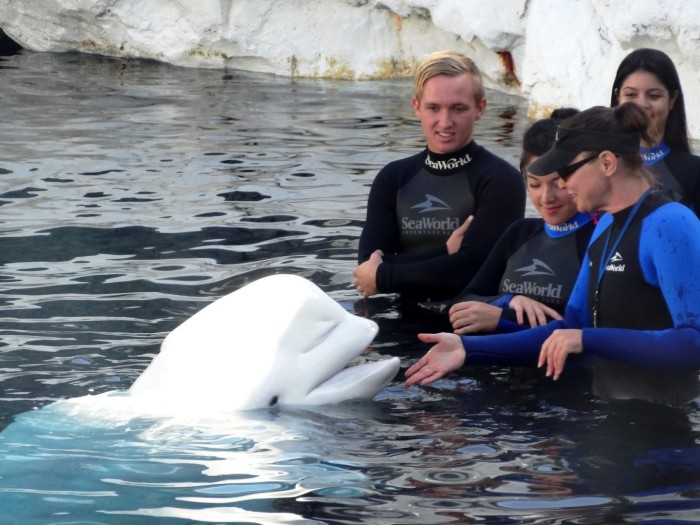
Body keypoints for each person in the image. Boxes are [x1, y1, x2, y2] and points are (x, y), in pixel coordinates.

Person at [404, 103, 700, 406]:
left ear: (607, 163)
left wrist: (587, 339)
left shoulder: (670, 223)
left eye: (567, 172)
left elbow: (693, 343)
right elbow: (570, 326)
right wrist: (466, 348)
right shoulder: (608, 225)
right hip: (608, 420)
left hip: (666, 433)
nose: (564, 185)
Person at [353, 50, 525, 303]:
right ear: (417, 107)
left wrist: (386, 274)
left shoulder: (500, 180)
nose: (445, 122)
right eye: (434, 108)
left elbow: (471, 269)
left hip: (468, 329)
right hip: (400, 320)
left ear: (480, 108)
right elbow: (366, 268)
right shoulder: (394, 178)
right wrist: (446, 251)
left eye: (458, 108)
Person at [449, 108, 596, 335]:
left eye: (558, 183)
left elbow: (589, 328)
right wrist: (509, 300)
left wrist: (502, 318)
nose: (546, 198)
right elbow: (463, 302)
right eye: (535, 184)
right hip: (501, 366)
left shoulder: (601, 239)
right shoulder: (520, 233)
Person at [610, 47, 700, 215]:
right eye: (631, 95)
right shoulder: (598, 164)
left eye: (654, 95)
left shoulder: (694, 170)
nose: (642, 105)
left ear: (672, 100)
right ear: (618, 98)